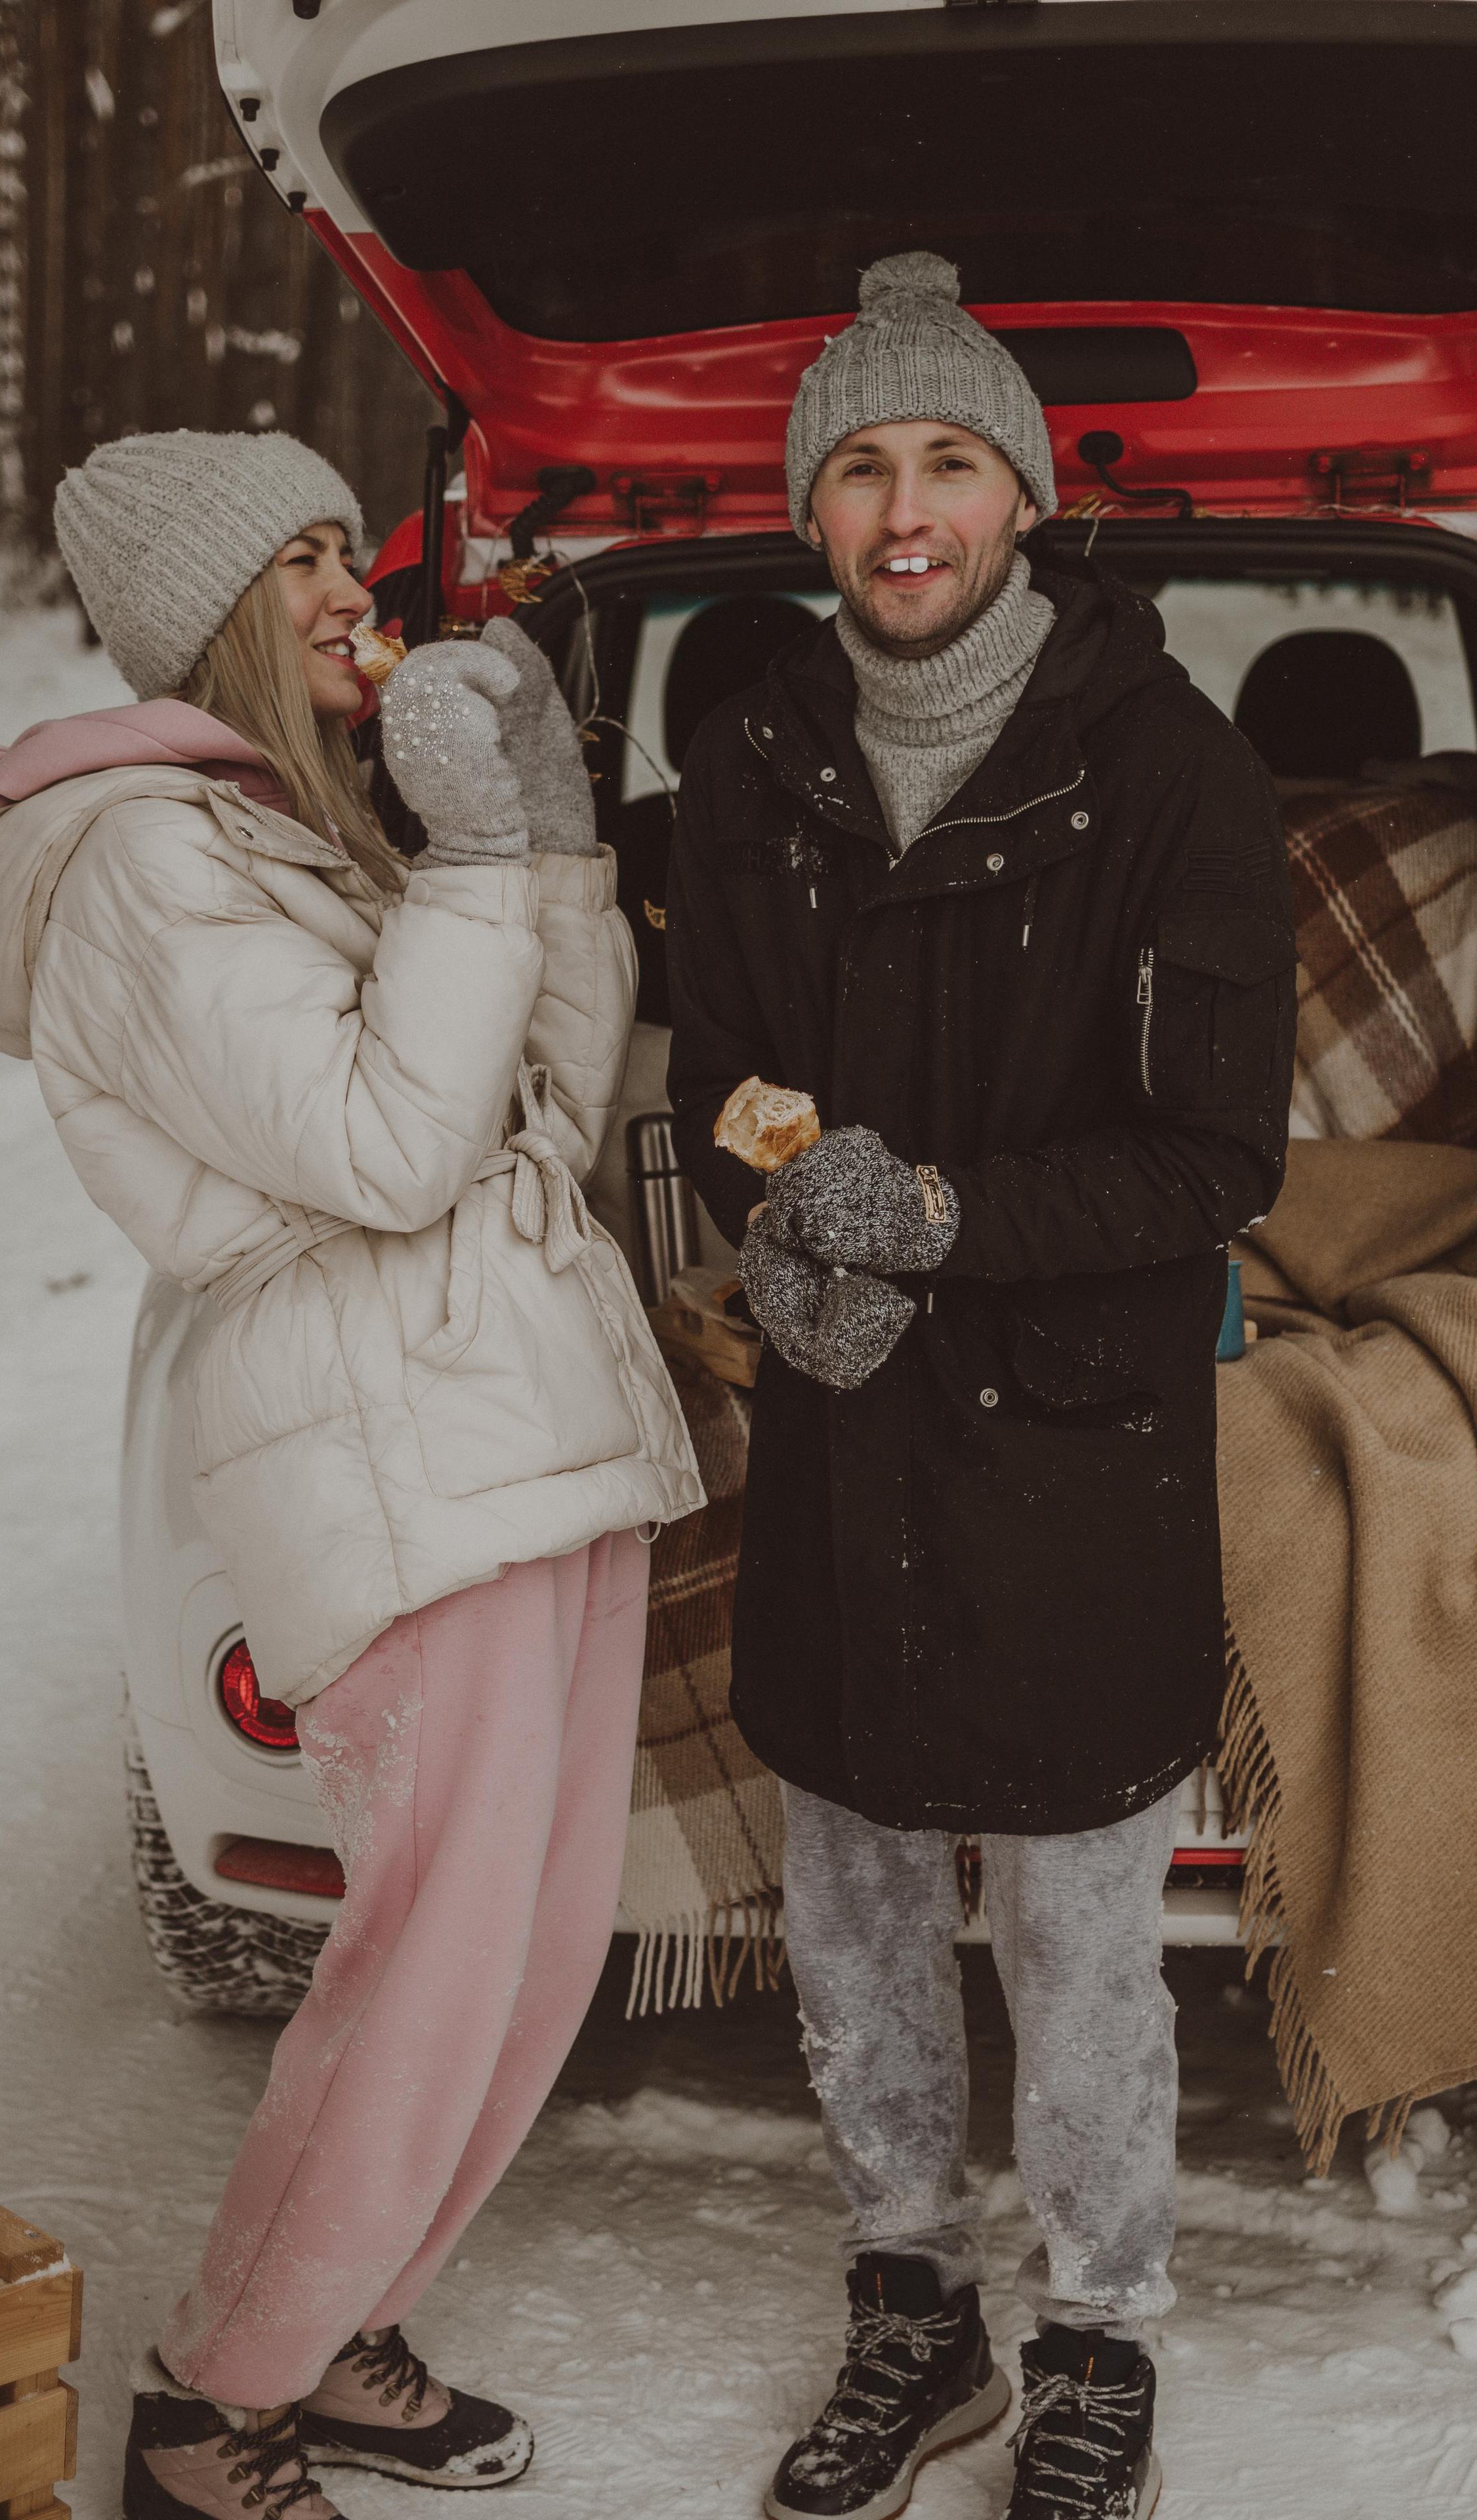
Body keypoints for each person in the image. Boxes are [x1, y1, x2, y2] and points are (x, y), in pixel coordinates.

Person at [0, 428, 701, 2512]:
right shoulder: (142, 866)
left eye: (334, 541)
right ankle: (212, 2400)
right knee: (433, 1963)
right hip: (389, 1437)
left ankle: (339, 2324)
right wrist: (459, 870)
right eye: (296, 561)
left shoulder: (302, 822)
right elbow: (383, 1152)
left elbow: (547, 1080)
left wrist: (532, 848)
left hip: (522, 1408)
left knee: (536, 1955)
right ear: (206, 620)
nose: (354, 583)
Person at [665, 255, 1296, 2520]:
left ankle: (1102, 2333)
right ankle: (907, 2306)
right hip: (845, 1436)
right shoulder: (748, 765)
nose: (902, 508)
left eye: (945, 461)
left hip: (1079, 1445)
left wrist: (936, 1221)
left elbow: (1222, 1153)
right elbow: (723, 1069)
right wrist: (785, 1214)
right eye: (859, 466)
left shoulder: (1174, 770)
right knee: (847, 1902)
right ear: (811, 515)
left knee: (1078, 1937)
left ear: (1023, 497)